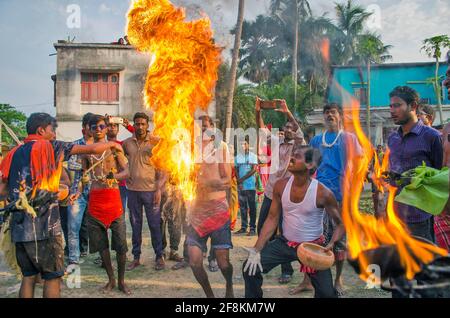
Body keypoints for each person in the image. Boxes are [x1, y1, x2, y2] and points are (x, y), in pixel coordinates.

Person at [0, 112, 123, 298]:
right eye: (52, 129)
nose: (55, 133)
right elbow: (93, 149)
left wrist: (23, 193)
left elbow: (2, 190)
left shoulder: (12, 153)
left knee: (28, 276)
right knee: (52, 277)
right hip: (45, 227)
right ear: (41, 130)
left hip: (19, 226)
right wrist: (113, 144)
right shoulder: (53, 147)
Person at [242, 145, 343, 298]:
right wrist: (256, 249)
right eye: (293, 154)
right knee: (250, 268)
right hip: (285, 243)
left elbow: (341, 224)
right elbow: (272, 219)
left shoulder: (323, 193)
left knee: (327, 294)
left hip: (313, 247)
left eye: (297, 156)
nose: (292, 158)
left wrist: (330, 244)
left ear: (310, 165)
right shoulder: (281, 186)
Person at [293, 103, 361, 297]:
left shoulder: (349, 139)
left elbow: (359, 165)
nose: (329, 115)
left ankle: (338, 279)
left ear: (340, 116)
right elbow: (309, 166)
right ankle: (308, 281)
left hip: (341, 198)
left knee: (339, 242)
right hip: (318, 198)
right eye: (326, 113)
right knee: (312, 238)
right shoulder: (316, 140)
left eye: (333, 112)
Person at [387, 86, 444, 297]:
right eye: (390, 106)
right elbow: (393, 173)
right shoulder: (392, 138)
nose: (392, 110)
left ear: (413, 106)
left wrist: (414, 180)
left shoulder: (431, 136)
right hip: (395, 214)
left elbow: (438, 177)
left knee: (422, 272)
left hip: (419, 216)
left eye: (397, 105)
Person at [256, 97, 304, 284]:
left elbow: (299, 130)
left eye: (291, 128)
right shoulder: (276, 140)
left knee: (284, 232)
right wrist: (258, 110)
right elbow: (260, 128)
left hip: (287, 195)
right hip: (270, 192)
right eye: (286, 128)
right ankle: (263, 261)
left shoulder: (298, 145)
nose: (289, 130)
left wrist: (287, 111)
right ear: (283, 131)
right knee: (262, 228)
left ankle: (287, 269)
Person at [82, 115, 131, 295]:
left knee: (120, 245)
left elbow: (127, 172)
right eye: (94, 126)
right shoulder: (86, 151)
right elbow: (82, 176)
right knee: (101, 246)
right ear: (89, 128)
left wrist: (113, 177)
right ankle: (110, 280)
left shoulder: (115, 149)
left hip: (113, 201)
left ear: (106, 128)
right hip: (95, 202)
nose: (98, 129)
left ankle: (121, 281)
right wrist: (79, 185)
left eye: (101, 126)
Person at [186, 115, 233, 298]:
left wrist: (207, 183)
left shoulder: (221, 148)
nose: (203, 131)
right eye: (199, 128)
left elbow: (227, 181)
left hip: (218, 210)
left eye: (206, 127)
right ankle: (210, 296)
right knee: (194, 261)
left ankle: (229, 286)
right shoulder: (190, 151)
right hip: (196, 212)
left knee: (223, 263)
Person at [122, 112, 165, 271]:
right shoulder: (126, 143)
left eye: (143, 124)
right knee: (135, 225)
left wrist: (159, 189)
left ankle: (159, 256)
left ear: (148, 126)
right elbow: (123, 162)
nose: (140, 127)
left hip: (151, 191)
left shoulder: (156, 143)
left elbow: (163, 168)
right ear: (134, 124)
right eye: (137, 124)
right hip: (132, 191)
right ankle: (136, 257)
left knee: (154, 225)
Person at [66, 113, 94, 266]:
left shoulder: (101, 146)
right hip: (78, 192)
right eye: (92, 126)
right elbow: (71, 164)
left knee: (98, 227)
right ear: (84, 127)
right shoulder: (76, 145)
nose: (96, 129)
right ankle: (73, 259)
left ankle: (100, 257)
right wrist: (86, 165)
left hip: (96, 191)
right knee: (73, 227)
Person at [234, 140, 258, 236]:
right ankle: (243, 227)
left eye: (244, 144)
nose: (242, 146)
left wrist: (242, 179)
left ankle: (252, 228)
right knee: (243, 207)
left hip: (250, 185)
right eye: (241, 144)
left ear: (248, 145)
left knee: (252, 207)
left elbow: (254, 170)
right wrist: (238, 180)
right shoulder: (237, 157)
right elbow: (236, 169)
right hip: (241, 186)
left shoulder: (253, 156)